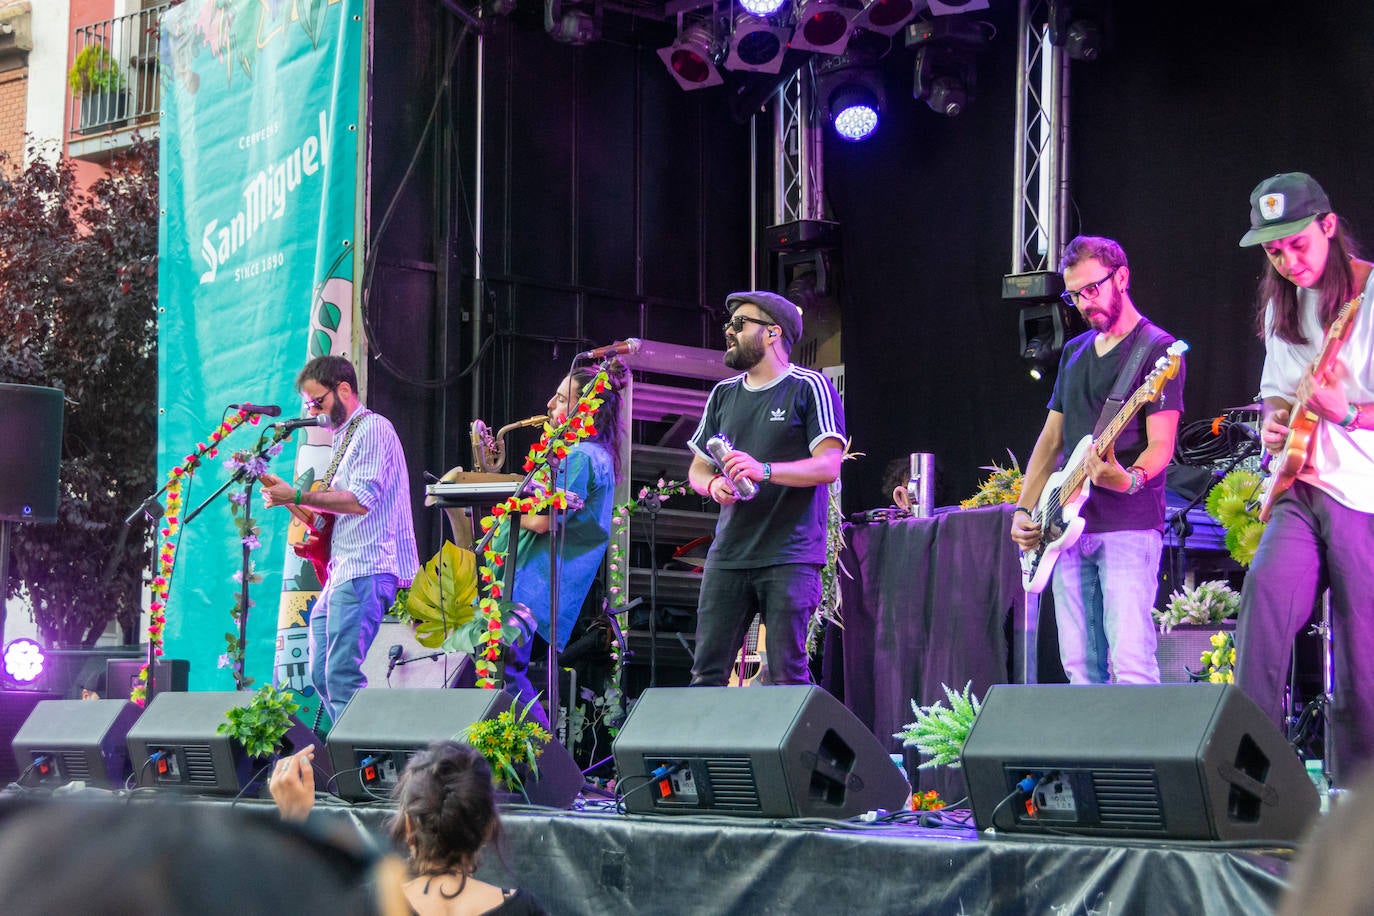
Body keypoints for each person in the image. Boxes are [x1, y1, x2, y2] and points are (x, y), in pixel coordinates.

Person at [1233, 172, 1374, 782]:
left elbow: (1343, 408)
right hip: (1299, 488)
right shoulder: (1278, 307)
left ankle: (1359, 800)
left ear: (1329, 226)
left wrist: (1344, 410)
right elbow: (1276, 400)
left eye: (1297, 242)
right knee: (1263, 604)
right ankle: (1251, 778)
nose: (1287, 260)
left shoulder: (1369, 299)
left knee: (1362, 653)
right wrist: (1273, 424)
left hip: (1362, 495)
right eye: (1273, 250)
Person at [1009, 235, 1185, 684]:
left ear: (1121, 277)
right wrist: (1026, 509)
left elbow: (1161, 445)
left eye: (1092, 289)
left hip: (1128, 522)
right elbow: (1050, 443)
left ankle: (1141, 755)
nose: (1083, 303)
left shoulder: (1156, 351)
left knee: (1130, 663)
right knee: (1079, 668)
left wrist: (1128, 479)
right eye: (1073, 294)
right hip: (1064, 526)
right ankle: (1092, 758)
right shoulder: (1074, 352)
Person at [687, 291, 846, 687]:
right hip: (729, 555)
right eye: (729, 324)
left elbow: (829, 465)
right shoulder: (723, 393)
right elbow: (697, 469)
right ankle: (703, 752)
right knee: (706, 672)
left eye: (740, 323)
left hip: (789, 555)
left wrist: (765, 470)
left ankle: (792, 752)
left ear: (773, 333)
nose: (729, 331)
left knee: (785, 675)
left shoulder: (808, 386)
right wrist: (714, 485)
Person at [263, 355, 419, 724]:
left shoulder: (373, 428)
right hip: (343, 572)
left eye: (318, 401)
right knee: (320, 675)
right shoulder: (345, 437)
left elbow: (360, 501)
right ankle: (354, 759)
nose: (313, 410)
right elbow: (327, 519)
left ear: (344, 389)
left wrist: (297, 496)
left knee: (341, 676)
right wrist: (287, 499)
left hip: (368, 567)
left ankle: (365, 766)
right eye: (308, 404)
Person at [496, 360, 626, 728]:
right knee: (507, 670)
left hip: (533, 582)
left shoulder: (581, 457)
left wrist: (503, 504)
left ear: (587, 410)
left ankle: (544, 758)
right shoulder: (591, 455)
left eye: (561, 399)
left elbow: (540, 521)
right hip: (538, 582)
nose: (550, 405)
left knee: (506, 671)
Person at [271, 743, 547, 915]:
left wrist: (294, 818)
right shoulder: (523, 910)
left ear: (408, 825)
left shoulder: (367, 904)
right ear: (488, 828)